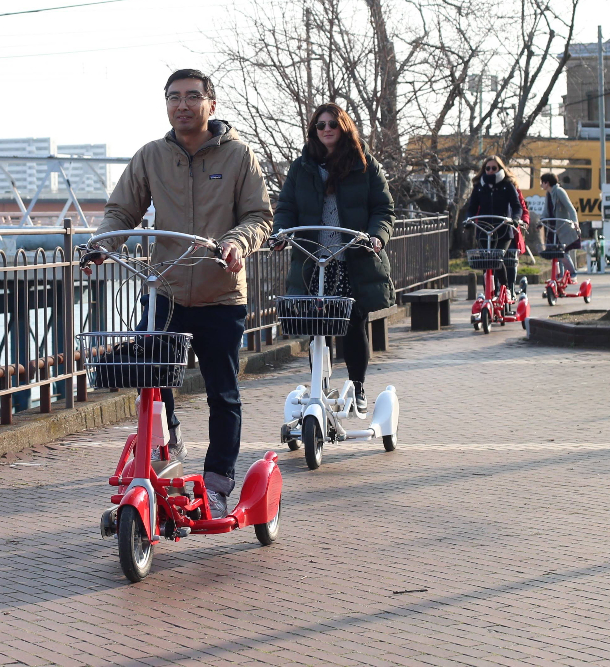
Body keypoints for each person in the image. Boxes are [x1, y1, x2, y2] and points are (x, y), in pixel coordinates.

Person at [90, 68, 272, 518]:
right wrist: (102, 244)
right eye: (174, 97)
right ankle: (168, 437)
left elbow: (259, 216)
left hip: (220, 293)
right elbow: (122, 210)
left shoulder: (239, 155)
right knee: (150, 375)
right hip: (166, 288)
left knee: (222, 393)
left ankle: (218, 484)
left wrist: (236, 242)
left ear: (211, 103)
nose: (182, 105)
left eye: (192, 96)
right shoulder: (152, 155)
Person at [272, 104, 395, 415]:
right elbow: (286, 207)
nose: (326, 129)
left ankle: (358, 385)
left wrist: (376, 237)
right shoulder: (302, 167)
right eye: (320, 125)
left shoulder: (365, 165)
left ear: (344, 128)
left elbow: (383, 209)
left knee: (354, 324)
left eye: (332, 124)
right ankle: (320, 387)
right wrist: (280, 233)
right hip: (312, 258)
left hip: (352, 257)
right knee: (317, 327)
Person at [464, 155, 524, 300]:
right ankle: (488, 295)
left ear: (500, 169)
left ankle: (505, 288)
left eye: (494, 168)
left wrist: (515, 219)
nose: (490, 171)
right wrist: (468, 220)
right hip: (483, 230)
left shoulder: (507, 185)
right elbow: (472, 208)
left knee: (496, 259)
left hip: (503, 229)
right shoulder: (479, 186)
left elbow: (517, 206)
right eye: (488, 168)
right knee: (485, 261)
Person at [539, 172, 581, 278]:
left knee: (562, 253)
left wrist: (575, 222)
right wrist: (541, 221)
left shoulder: (559, 191)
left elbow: (570, 208)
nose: (541, 185)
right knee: (555, 253)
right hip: (552, 228)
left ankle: (573, 273)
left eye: (542, 182)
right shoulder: (548, 194)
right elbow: (546, 211)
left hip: (562, 228)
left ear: (547, 183)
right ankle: (560, 276)